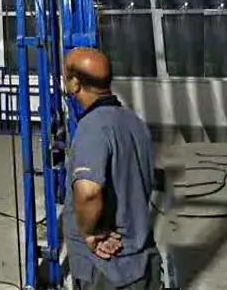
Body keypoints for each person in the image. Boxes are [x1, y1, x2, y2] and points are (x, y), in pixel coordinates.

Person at [63, 47, 161, 290]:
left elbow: (89, 192)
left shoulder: (93, 128)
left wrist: (90, 233)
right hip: (142, 262)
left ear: (75, 83)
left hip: (107, 272)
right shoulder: (134, 122)